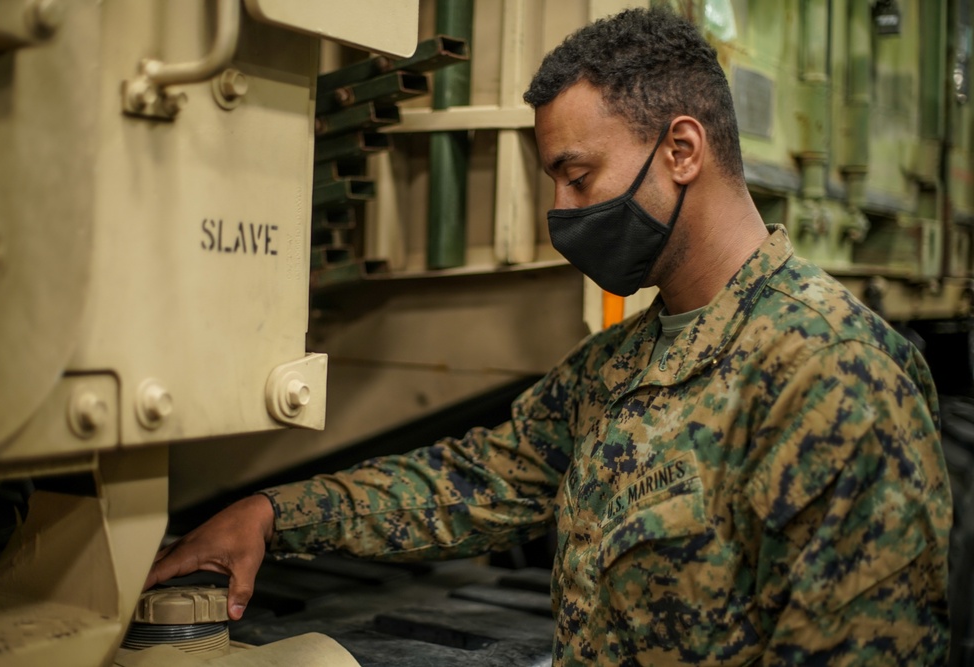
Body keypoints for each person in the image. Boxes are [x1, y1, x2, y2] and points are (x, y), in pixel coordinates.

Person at [147, 7, 952, 665]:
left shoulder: (833, 374)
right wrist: (273, 512)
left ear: (681, 150)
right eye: (553, 183)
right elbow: (477, 479)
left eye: (577, 175)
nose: (563, 211)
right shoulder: (622, 364)